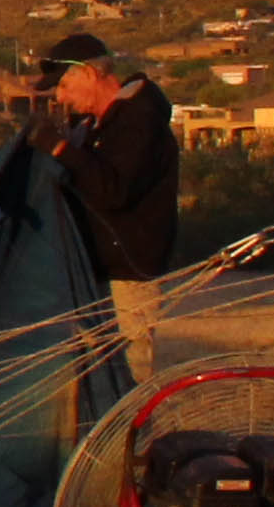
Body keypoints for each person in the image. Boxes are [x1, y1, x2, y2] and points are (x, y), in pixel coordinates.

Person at [27, 32, 180, 376]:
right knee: (98, 375)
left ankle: (135, 431)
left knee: (131, 373)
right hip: (96, 269)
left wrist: (62, 150)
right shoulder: (95, 126)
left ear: (88, 73)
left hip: (128, 274)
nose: (62, 98)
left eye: (65, 86)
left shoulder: (140, 121)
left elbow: (114, 191)